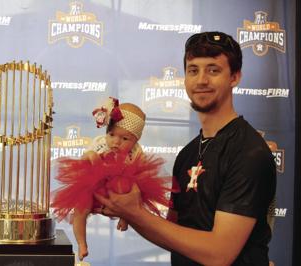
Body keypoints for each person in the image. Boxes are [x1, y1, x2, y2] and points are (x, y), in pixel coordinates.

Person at [94, 31, 277, 265]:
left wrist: (136, 213)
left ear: (235, 77)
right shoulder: (188, 154)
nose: (201, 80)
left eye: (213, 70)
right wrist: (127, 206)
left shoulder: (249, 152)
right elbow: (171, 233)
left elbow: (219, 254)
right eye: (193, 70)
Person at [51, 97, 175, 261]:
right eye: (112, 134)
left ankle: (125, 217)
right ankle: (81, 243)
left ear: (136, 140)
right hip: (94, 183)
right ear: (106, 132)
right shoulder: (100, 143)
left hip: (119, 186)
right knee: (81, 209)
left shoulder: (136, 152)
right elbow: (86, 159)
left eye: (125, 139)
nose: (116, 142)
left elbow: (141, 174)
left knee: (129, 190)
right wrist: (93, 157)